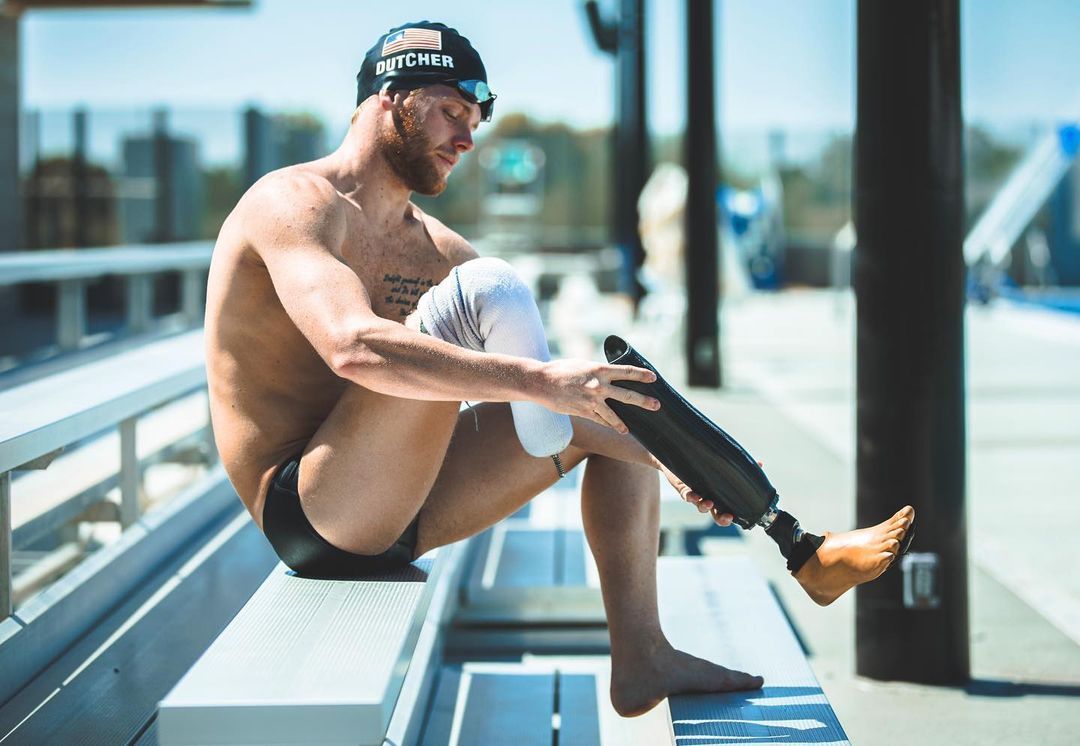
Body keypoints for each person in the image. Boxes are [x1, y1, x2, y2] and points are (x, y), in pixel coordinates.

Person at [204, 20, 913, 718]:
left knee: (615, 405)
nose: (467, 137)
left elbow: (549, 396)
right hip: (312, 507)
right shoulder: (294, 203)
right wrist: (540, 383)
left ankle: (759, 575)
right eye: (451, 110)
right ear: (392, 97)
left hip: (404, 510)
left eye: (475, 119)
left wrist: (670, 461)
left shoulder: (439, 250)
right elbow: (352, 346)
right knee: (497, 304)